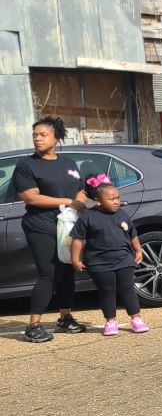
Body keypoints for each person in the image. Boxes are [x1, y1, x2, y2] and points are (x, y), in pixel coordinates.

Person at [13, 117, 88, 343]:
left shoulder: (68, 163)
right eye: (34, 135)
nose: (37, 138)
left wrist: (78, 200)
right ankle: (33, 325)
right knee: (50, 272)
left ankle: (65, 318)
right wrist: (67, 201)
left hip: (67, 225)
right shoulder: (27, 165)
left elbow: (82, 189)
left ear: (56, 137)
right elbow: (31, 197)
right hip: (41, 225)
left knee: (66, 272)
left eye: (42, 134)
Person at [70, 180, 148, 336]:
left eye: (118, 198)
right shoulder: (88, 217)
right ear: (98, 201)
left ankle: (136, 318)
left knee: (127, 288)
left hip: (124, 258)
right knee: (107, 291)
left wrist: (138, 250)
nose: (116, 202)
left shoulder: (122, 214)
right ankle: (111, 320)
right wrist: (75, 260)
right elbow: (77, 239)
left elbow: (132, 234)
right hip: (99, 263)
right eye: (112, 199)